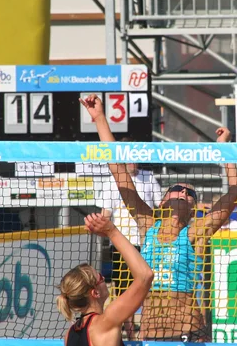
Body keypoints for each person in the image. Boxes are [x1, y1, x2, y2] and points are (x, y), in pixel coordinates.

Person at [79, 94, 237, 342]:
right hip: (151, 334)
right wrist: (100, 118)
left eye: (189, 192)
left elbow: (235, 191)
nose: (183, 192)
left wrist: (225, 148)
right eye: (176, 189)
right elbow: (117, 169)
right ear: (164, 200)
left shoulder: (194, 233)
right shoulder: (147, 225)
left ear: (193, 207)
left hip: (188, 332)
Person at [96, 139, 163, 340]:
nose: (133, 163)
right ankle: (131, 335)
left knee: (150, 288)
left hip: (147, 243)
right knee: (124, 291)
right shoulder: (112, 181)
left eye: (136, 159)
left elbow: (160, 209)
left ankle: (145, 332)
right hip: (123, 244)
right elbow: (105, 213)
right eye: (129, 159)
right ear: (123, 160)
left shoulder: (149, 178)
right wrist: (99, 226)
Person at [57, 212, 154, 346]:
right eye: (101, 278)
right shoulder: (106, 322)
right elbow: (145, 276)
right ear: (95, 293)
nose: (104, 278)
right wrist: (112, 232)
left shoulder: (70, 334)